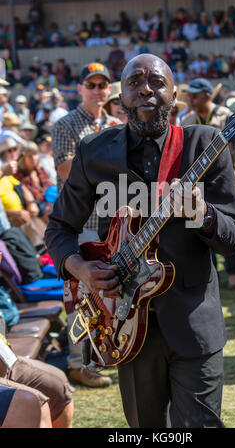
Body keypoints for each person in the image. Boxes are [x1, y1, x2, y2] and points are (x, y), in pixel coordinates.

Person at [45, 53, 235, 428]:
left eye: (156, 81)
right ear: (120, 95)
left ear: (173, 94)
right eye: (134, 82)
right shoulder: (94, 151)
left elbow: (233, 238)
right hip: (123, 325)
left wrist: (203, 216)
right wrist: (81, 268)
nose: (145, 90)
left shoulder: (205, 144)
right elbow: (58, 228)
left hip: (193, 323)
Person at [51, 62, 121, 388]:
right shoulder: (65, 124)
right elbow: (66, 172)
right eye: (90, 85)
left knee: (109, 290)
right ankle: (79, 362)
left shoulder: (115, 124)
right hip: (78, 223)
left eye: (102, 85)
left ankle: (106, 352)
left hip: (110, 222)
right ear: (79, 88)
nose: (97, 90)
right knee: (77, 293)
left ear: (109, 89)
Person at [182, 78, 235, 289]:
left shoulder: (225, 115)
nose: (189, 98)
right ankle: (210, 275)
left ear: (207, 95)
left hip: (221, 178)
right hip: (196, 181)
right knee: (201, 228)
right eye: (189, 94)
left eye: (194, 94)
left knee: (226, 221)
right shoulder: (188, 118)